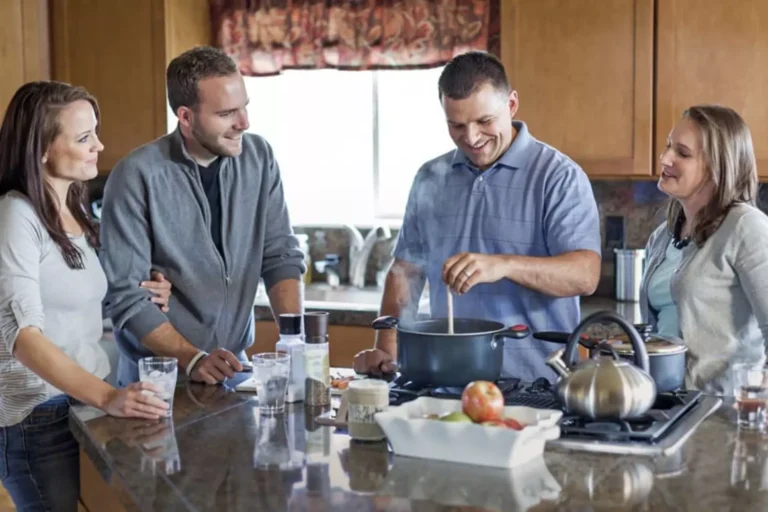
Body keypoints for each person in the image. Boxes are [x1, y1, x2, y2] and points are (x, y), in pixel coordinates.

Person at [353, 51, 602, 382]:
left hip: (538, 386)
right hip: (445, 383)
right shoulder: (430, 178)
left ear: (511, 105)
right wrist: (387, 350)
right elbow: (405, 273)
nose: (470, 138)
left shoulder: (558, 176)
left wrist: (503, 265)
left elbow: (585, 275)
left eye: (484, 121)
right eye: (456, 125)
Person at [0, 81, 172, 512]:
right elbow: (23, 337)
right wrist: (108, 397)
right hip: (36, 416)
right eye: (83, 137)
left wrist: (146, 291)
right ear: (40, 148)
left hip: (81, 405)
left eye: (94, 131)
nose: (99, 145)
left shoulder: (73, 211)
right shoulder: (14, 215)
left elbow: (76, 301)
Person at [99, 46, 305, 387]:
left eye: (244, 108)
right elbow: (127, 297)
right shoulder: (136, 176)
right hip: (158, 381)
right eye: (226, 114)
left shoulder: (259, 157)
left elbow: (279, 255)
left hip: (232, 370)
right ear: (186, 117)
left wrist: (297, 341)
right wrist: (192, 358)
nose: (244, 123)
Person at [639, 105, 768, 395]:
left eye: (682, 153)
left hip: (723, 410)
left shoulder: (746, 227)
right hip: (665, 405)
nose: (665, 158)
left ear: (717, 167)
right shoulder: (663, 235)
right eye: (668, 146)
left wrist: (757, 400)